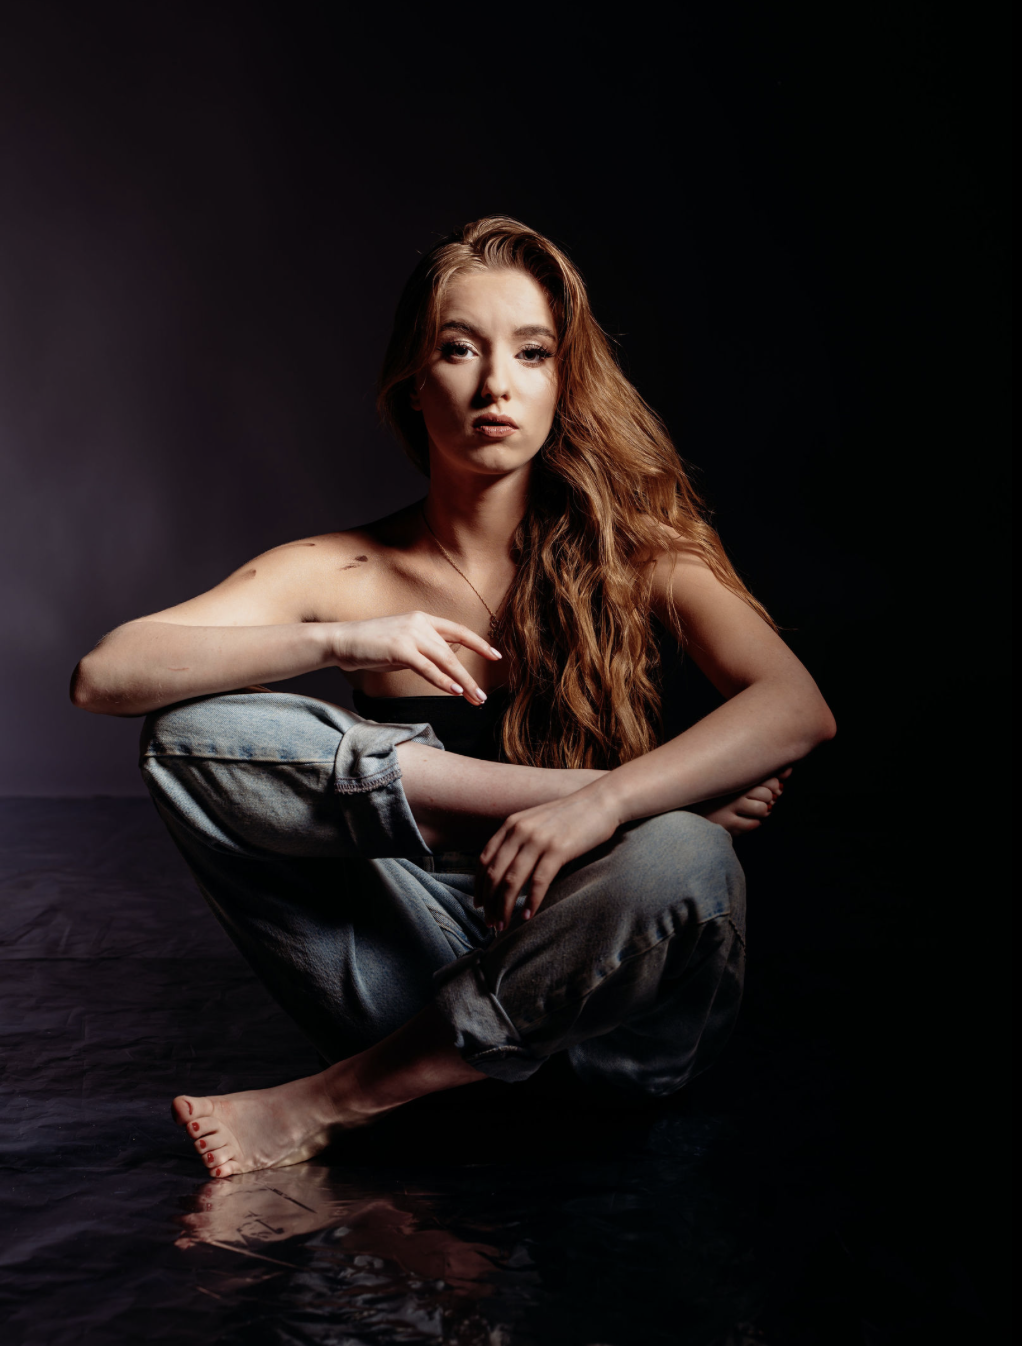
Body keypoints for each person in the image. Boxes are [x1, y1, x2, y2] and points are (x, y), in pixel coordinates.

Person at [71, 216, 835, 1179]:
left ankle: (340, 1099)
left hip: (613, 1034)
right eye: (458, 350)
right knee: (191, 733)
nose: (495, 385)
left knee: (688, 853)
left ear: (565, 379)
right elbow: (106, 675)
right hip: (412, 977)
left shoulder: (640, 554)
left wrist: (611, 806)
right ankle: (425, 1053)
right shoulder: (346, 567)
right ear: (413, 380)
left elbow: (796, 707)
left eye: (532, 352)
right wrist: (346, 637)